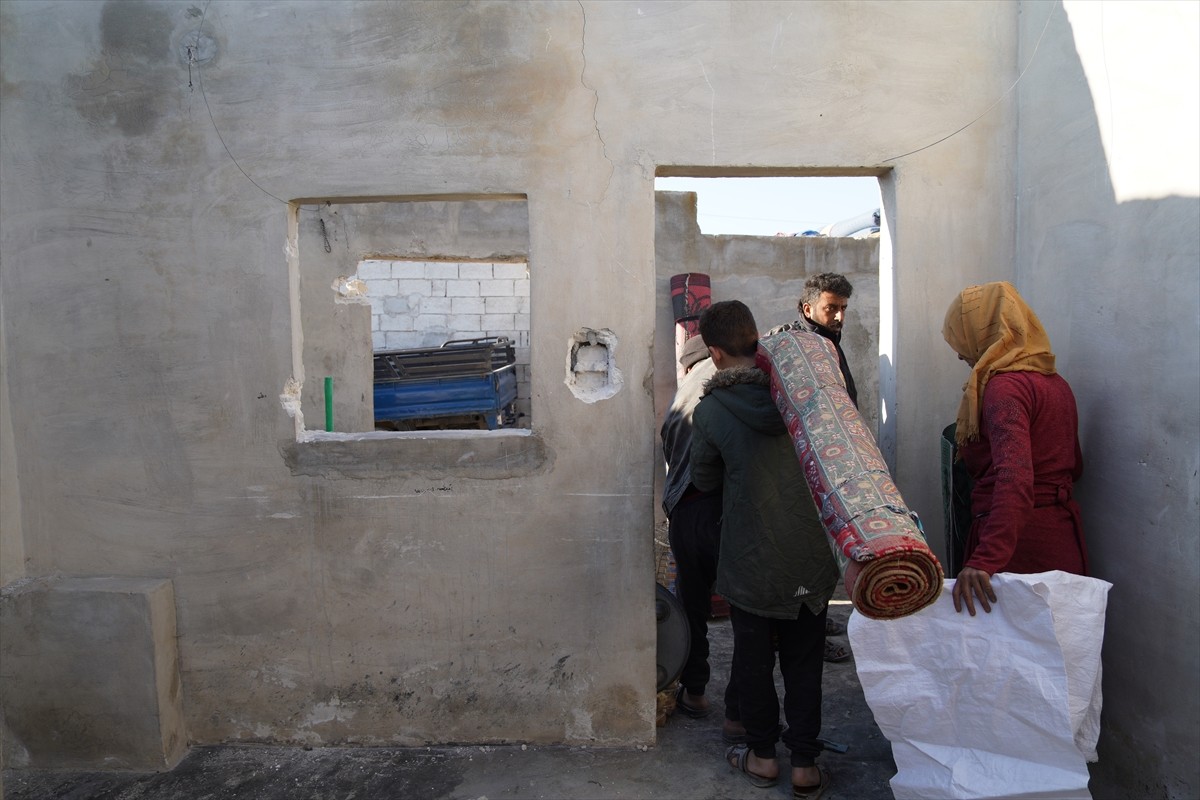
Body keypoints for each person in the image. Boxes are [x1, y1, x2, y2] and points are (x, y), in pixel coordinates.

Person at [690, 300, 839, 798]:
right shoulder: (803, 395)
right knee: (804, 663)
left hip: (751, 558)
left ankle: (762, 757)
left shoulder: (711, 410)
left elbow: (704, 479)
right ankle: (805, 766)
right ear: (756, 341)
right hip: (810, 556)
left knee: (753, 662)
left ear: (714, 353)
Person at [942, 281, 1088, 616]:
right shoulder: (1055, 383)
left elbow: (1015, 479)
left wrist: (985, 559)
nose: (960, 353)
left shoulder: (1004, 389)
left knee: (1008, 648)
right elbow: (1074, 466)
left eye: (963, 337)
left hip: (1018, 553)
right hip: (1060, 539)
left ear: (984, 333)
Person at [660, 334, 721, 718]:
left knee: (693, 605)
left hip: (687, 510)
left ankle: (696, 692)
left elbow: (672, 452)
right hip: (727, 509)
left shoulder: (682, 395)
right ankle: (740, 714)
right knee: (748, 612)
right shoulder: (734, 374)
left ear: (688, 365)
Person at [770, 272, 857, 407]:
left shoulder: (832, 340)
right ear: (807, 309)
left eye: (843, 308)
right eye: (830, 308)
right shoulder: (788, 342)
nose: (839, 317)